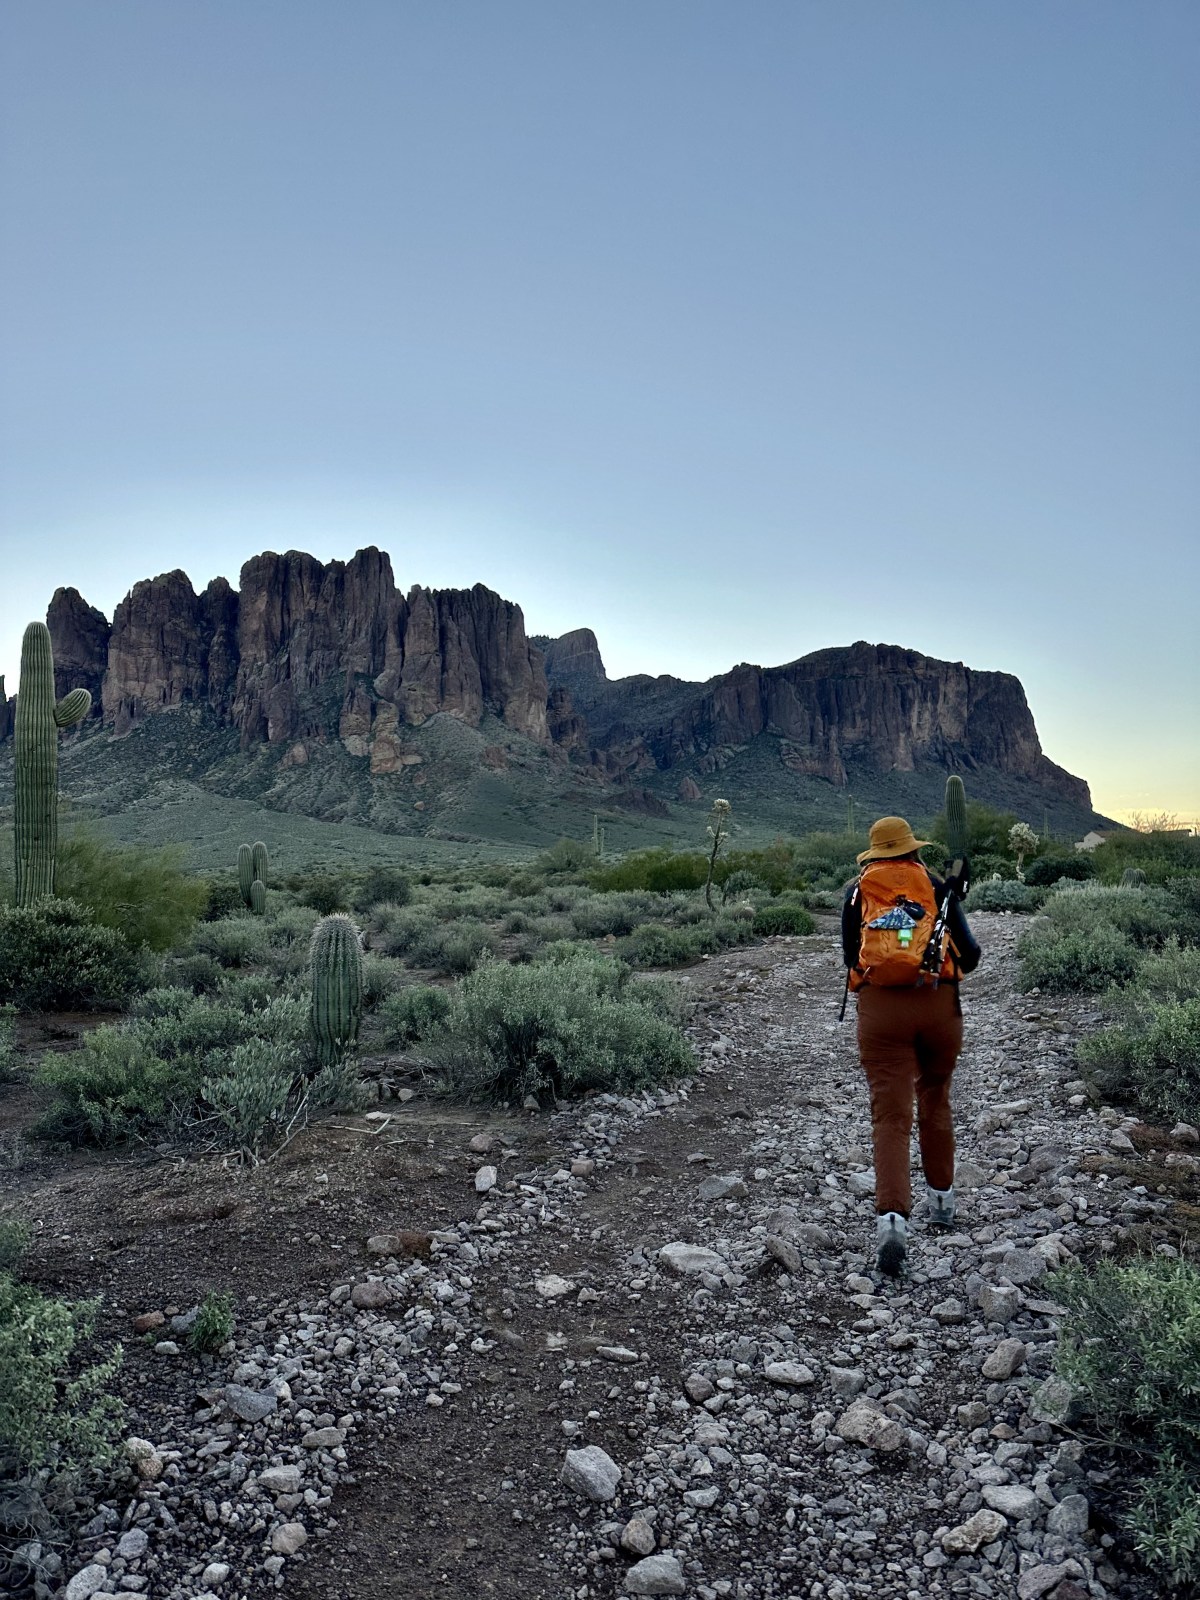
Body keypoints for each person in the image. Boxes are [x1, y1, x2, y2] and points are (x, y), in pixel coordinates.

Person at [841, 815, 981, 1276]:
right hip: (938, 1007)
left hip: (881, 1014)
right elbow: (972, 954)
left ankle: (893, 1221)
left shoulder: (858, 892)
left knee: (890, 1114)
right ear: (912, 848)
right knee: (935, 1098)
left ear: (875, 852)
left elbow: (851, 958)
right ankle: (941, 1202)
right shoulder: (937, 887)